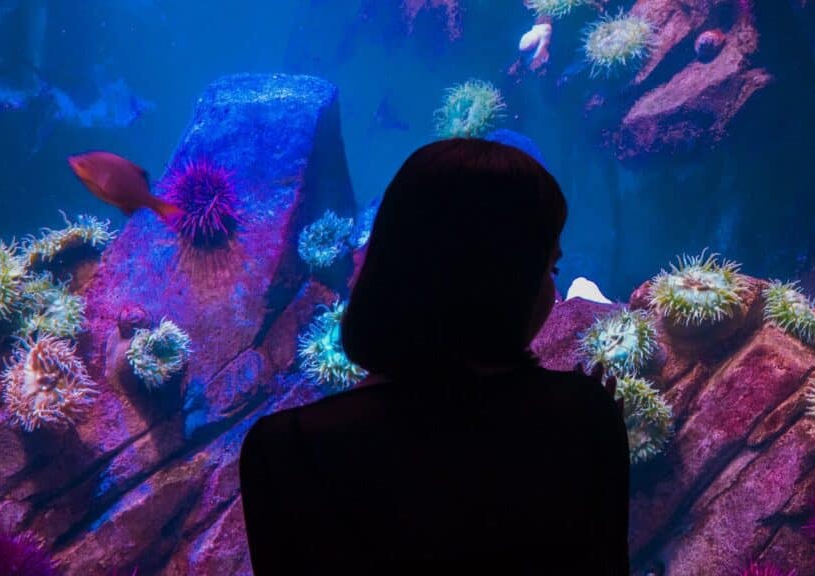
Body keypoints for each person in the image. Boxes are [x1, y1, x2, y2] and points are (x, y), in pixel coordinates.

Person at [240, 139, 630, 575]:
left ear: (384, 263)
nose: (551, 289)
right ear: (507, 283)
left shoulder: (283, 449)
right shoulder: (578, 419)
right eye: (548, 269)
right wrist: (598, 436)